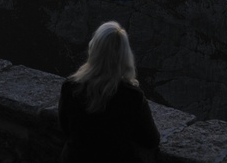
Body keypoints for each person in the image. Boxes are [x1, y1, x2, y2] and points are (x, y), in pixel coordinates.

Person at [58, 21, 161, 163]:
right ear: (124, 56)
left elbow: (66, 128)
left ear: (94, 49)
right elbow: (151, 140)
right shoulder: (132, 97)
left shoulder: (70, 87)